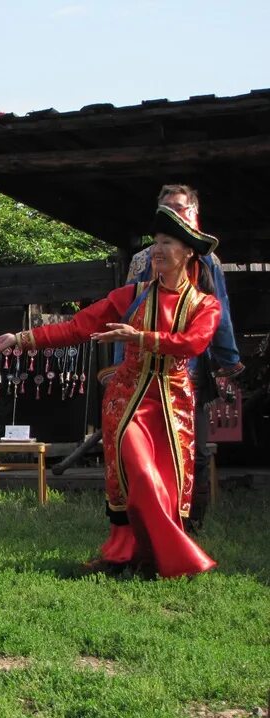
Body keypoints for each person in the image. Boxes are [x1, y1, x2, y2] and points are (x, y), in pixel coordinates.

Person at [0, 207, 221, 578]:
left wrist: (138, 337)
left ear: (188, 252)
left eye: (167, 243)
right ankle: (140, 554)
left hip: (174, 405)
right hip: (126, 402)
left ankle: (148, 557)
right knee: (136, 473)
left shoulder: (205, 304)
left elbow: (193, 343)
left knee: (166, 483)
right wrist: (20, 339)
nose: (157, 250)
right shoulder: (133, 295)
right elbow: (78, 327)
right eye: (155, 242)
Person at [123, 184, 243, 530]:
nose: (174, 213)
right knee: (146, 446)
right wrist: (118, 363)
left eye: (180, 207)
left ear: (193, 212)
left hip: (190, 367)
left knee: (196, 448)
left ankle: (190, 522)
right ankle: (148, 519)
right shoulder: (143, 260)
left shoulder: (208, 260)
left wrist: (229, 358)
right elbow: (126, 312)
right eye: (167, 208)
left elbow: (219, 313)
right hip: (144, 367)